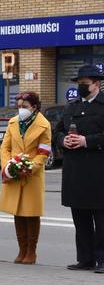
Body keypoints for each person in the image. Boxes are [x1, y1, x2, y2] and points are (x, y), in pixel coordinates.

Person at [55, 65, 104, 273]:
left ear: (97, 84)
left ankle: (102, 259)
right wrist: (62, 140)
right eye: (79, 84)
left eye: (85, 84)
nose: (81, 87)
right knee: (80, 218)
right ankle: (85, 258)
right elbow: (56, 131)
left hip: (98, 170)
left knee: (101, 220)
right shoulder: (71, 107)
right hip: (75, 171)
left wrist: (87, 141)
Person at [0, 92, 52, 265]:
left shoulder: (44, 125)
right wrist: (10, 166)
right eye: (19, 106)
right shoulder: (13, 122)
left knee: (31, 213)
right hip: (13, 173)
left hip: (31, 175)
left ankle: (31, 251)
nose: (21, 110)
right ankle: (21, 249)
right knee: (18, 212)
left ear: (34, 107)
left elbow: (43, 152)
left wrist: (28, 167)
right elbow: (5, 148)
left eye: (25, 107)